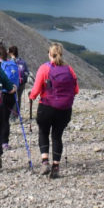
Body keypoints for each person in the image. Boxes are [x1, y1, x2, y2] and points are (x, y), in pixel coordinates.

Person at [28, 42, 79, 179]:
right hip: (64, 110)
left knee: (43, 132)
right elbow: (76, 90)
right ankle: (56, 167)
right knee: (57, 136)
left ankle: (45, 162)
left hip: (46, 107)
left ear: (50, 54)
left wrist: (31, 96)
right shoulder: (69, 69)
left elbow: (36, 89)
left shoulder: (44, 68)